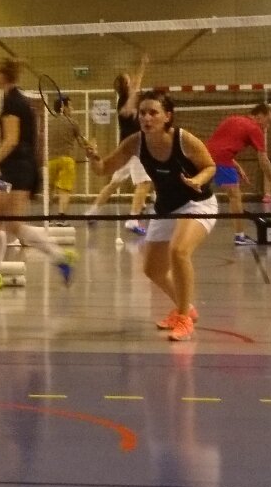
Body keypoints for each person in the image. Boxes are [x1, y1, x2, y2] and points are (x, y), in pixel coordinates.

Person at [84, 92, 218, 342]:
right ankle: (187, 308)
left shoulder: (183, 139)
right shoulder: (135, 142)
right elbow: (103, 169)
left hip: (197, 202)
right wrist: (93, 157)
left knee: (179, 251)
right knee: (153, 270)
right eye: (143, 113)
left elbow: (210, 166)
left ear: (167, 116)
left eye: (153, 112)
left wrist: (197, 180)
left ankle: (184, 319)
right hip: (165, 207)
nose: (146, 118)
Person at [0, 59, 76, 288]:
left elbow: (11, 140)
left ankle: (58, 256)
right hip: (18, 168)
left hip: (17, 170)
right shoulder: (16, 100)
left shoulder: (12, 103)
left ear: (3, 75)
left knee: (11, 225)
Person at [85, 58, 152, 235]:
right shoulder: (125, 104)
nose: (132, 81)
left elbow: (137, 85)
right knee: (144, 182)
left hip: (125, 151)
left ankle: (92, 212)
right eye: (129, 79)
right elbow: (136, 87)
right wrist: (142, 65)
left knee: (114, 183)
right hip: (135, 150)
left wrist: (142, 67)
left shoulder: (129, 101)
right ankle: (133, 219)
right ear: (126, 85)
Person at [205, 102, 271, 246]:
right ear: (259, 116)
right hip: (222, 161)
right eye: (268, 121)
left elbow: (218, 146)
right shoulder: (255, 129)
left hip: (205, 157)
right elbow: (263, 160)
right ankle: (240, 237)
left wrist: (237, 167)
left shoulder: (232, 119)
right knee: (235, 197)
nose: (268, 126)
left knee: (193, 193)